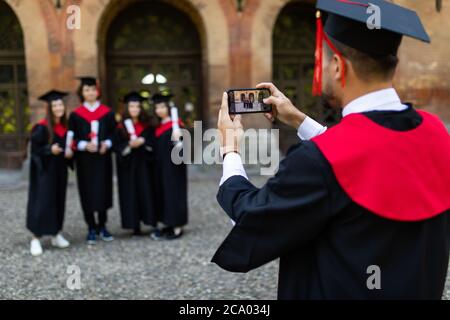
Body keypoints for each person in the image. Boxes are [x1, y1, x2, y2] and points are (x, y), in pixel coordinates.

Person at [212, 0, 450, 299]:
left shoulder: (315, 162)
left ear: (337, 66)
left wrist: (230, 149)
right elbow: (366, 151)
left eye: (320, 60)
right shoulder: (435, 132)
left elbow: (252, 219)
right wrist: (299, 120)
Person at [69, 77, 116, 245]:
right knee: (87, 192)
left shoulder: (107, 113)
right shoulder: (75, 115)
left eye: (93, 89)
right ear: (82, 93)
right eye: (86, 90)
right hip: (85, 161)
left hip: (102, 160)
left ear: (98, 92)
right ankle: (91, 227)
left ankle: (102, 225)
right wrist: (82, 145)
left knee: (103, 191)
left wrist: (107, 143)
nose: (90, 93)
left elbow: (115, 134)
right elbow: (70, 138)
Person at [27, 90, 73, 256]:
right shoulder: (41, 128)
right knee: (42, 203)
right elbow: (35, 152)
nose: (58, 107)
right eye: (55, 105)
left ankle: (55, 233)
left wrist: (69, 154)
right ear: (50, 108)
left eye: (60, 104)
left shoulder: (65, 127)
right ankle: (35, 238)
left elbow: (67, 148)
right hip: (44, 173)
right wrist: (49, 149)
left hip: (60, 171)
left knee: (58, 201)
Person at [114, 92, 156, 236]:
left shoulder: (147, 125)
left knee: (147, 192)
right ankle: (134, 225)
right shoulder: (120, 127)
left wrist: (143, 142)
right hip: (128, 167)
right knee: (130, 194)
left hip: (145, 166)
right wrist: (129, 146)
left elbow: (153, 144)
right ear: (127, 108)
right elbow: (117, 146)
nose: (135, 109)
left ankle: (150, 221)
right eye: (132, 106)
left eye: (137, 106)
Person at [150, 93, 188, 241]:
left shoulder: (177, 125)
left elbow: (182, 149)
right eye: (157, 107)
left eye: (162, 106)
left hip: (174, 168)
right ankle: (168, 223)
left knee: (174, 193)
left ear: (168, 108)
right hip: (161, 167)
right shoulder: (158, 126)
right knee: (163, 193)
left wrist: (178, 140)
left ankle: (177, 226)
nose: (159, 110)